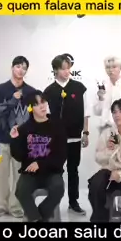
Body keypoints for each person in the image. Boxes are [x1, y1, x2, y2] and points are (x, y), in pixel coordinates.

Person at [44, 54, 90, 215]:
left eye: (68, 68)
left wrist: (86, 132)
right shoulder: (48, 91)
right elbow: (46, 117)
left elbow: (86, 113)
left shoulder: (79, 88)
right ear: (55, 70)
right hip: (56, 140)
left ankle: (73, 202)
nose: (66, 71)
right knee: (55, 171)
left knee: (73, 170)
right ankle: (53, 202)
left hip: (75, 137)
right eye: (63, 68)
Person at [0, 56, 36, 219]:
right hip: (3, 139)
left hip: (22, 142)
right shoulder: (0, 89)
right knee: (2, 175)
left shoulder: (31, 92)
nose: (20, 70)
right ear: (12, 68)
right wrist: (12, 100)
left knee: (19, 176)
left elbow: (35, 116)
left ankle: (16, 206)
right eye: (18, 66)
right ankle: (1, 205)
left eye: (24, 68)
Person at [10, 91, 66, 222]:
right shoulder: (24, 129)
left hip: (52, 172)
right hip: (30, 173)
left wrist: (40, 164)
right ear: (30, 108)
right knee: (21, 191)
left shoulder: (57, 126)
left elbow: (61, 155)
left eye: (43, 102)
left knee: (58, 188)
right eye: (37, 104)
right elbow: (18, 156)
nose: (42, 106)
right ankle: (36, 219)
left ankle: (38, 217)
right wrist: (15, 139)